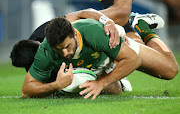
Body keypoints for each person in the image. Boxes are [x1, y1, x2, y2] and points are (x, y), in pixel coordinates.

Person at [20, 11, 178, 100]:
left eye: (67, 46)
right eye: (59, 50)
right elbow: (26, 90)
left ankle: (140, 26)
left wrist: (100, 84)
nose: (65, 53)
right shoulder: (46, 50)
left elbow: (133, 60)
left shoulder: (95, 32)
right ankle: (113, 74)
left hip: (111, 46)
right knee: (115, 89)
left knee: (170, 70)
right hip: (94, 65)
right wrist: (56, 85)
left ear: (75, 34)